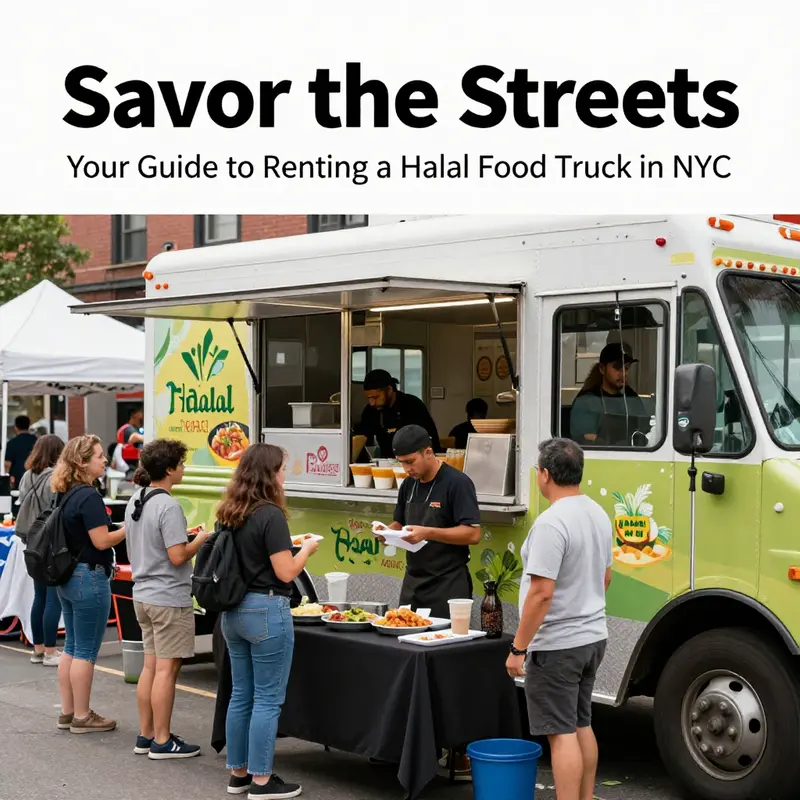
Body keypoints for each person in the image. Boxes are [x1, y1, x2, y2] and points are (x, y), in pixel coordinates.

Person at [506, 438, 613, 800]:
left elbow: (541, 593)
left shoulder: (551, 523)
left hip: (558, 644)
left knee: (561, 733)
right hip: (592, 636)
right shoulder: (597, 513)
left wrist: (518, 649)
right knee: (581, 724)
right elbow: (606, 578)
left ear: (545, 475)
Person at [216, 443, 318, 799]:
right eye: (281, 469)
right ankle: (262, 781)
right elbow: (286, 571)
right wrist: (306, 550)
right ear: (269, 474)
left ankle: (238, 774)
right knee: (267, 700)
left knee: (241, 695)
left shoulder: (230, 511)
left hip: (233, 611)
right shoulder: (271, 514)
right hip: (266, 609)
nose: (284, 475)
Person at [126, 439, 211, 760]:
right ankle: (163, 740)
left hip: (142, 594)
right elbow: (177, 556)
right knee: (167, 670)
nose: (184, 469)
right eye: (182, 464)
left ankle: (146, 734)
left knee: (150, 667)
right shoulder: (169, 506)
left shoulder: (137, 498)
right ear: (170, 469)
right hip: (168, 597)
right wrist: (200, 540)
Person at [53, 435, 126, 734]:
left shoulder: (66, 493)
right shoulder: (89, 496)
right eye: (98, 456)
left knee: (71, 646)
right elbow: (102, 540)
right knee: (85, 650)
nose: (104, 459)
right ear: (82, 463)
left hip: (69, 576)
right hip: (90, 576)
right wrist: (128, 528)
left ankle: (68, 712)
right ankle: (83, 716)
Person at [374, 424, 481, 618]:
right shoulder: (408, 485)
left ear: (428, 452)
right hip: (413, 583)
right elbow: (399, 522)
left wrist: (428, 532)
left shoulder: (457, 483)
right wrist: (386, 532)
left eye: (410, 461)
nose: (407, 469)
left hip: (447, 583)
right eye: (401, 463)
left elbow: (473, 534)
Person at [16, 434, 65, 667]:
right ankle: (51, 651)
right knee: (53, 598)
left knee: (40, 596)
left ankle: (37, 650)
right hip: (51, 541)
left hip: (32, 542)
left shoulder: (27, 476)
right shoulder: (55, 477)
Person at [569, 344, 650, 447]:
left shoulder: (631, 399)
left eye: (626, 368)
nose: (623, 373)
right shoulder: (587, 402)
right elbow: (587, 439)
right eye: (618, 367)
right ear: (602, 369)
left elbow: (646, 430)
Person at [357, 369, 440, 458]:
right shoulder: (370, 411)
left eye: (376, 397)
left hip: (414, 460)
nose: (372, 403)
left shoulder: (412, 405)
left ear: (389, 390)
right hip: (386, 462)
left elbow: (430, 440)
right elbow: (361, 439)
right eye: (369, 398)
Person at [4, 415, 37, 489]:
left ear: (16, 427)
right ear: (28, 426)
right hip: (34, 478)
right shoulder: (37, 441)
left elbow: (7, 464)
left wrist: (7, 478)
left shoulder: (11, 443)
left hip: (17, 480)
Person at [117, 407, 145, 473]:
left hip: (125, 464)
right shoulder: (129, 429)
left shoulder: (124, 429)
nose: (141, 422)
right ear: (133, 417)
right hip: (130, 465)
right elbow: (134, 437)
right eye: (140, 419)